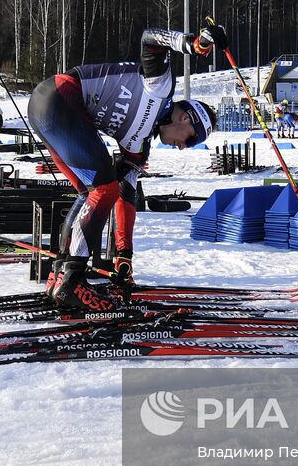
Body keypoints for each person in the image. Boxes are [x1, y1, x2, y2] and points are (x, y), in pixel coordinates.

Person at [27, 22, 224, 312]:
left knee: (91, 192)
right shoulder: (160, 88)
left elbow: (126, 195)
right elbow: (149, 39)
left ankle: (59, 276)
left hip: (49, 108)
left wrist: (124, 254)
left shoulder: (139, 145)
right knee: (102, 188)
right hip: (59, 97)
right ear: (186, 118)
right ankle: (72, 281)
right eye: (191, 140)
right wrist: (194, 43)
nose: (184, 146)